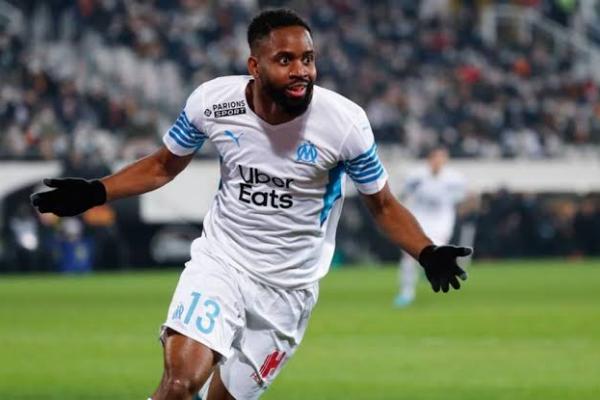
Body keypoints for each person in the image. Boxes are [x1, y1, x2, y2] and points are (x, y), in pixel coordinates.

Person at [30, 9, 471, 400]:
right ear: (254, 66)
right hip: (222, 263)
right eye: (286, 60)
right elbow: (164, 165)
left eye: (308, 59)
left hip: (289, 290)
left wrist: (426, 251)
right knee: (180, 383)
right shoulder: (212, 103)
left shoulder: (345, 124)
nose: (301, 71)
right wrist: (96, 192)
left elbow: (384, 205)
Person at [394, 146, 467, 308]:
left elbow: (462, 198)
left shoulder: (455, 179)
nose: (438, 162)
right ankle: (406, 293)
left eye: (442, 158)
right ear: (429, 159)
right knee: (409, 256)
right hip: (419, 220)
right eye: (435, 158)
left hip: (441, 222)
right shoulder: (416, 176)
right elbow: (402, 194)